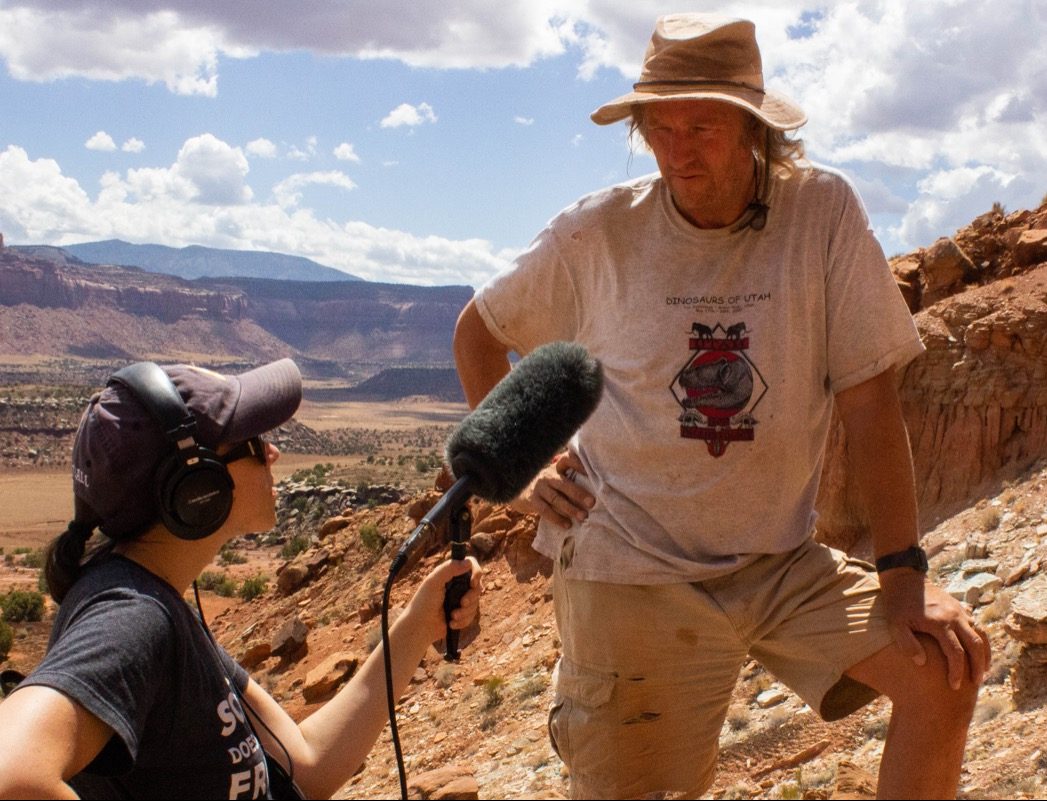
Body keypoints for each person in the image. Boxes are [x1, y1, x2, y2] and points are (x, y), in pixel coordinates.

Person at [454, 13, 989, 800]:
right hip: (630, 565)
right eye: (658, 127)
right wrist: (521, 469)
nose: (677, 149)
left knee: (942, 672)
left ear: (753, 130)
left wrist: (903, 579)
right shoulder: (597, 233)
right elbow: (478, 332)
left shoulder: (822, 214)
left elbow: (871, 408)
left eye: (701, 125)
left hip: (775, 561)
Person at [0, 358, 481, 799]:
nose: (272, 452)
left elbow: (307, 764)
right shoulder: (133, 619)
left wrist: (419, 621)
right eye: (253, 442)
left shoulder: (163, 608)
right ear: (196, 486)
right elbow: (12, 775)